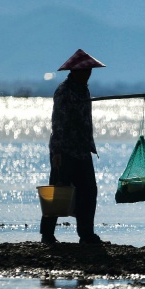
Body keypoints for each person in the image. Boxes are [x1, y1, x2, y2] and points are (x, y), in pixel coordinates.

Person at [41, 49, 105, 245]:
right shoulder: (64, 91)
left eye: (90, 71)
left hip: (83, 150)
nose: (88, 74)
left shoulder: (83, 90)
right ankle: (47, 235)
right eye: (86, 71)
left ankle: (86, 234)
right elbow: (58, 123)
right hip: (65, 150)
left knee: (88, 191)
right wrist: (57, 153)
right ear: (76, 72)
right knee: (57, 192)